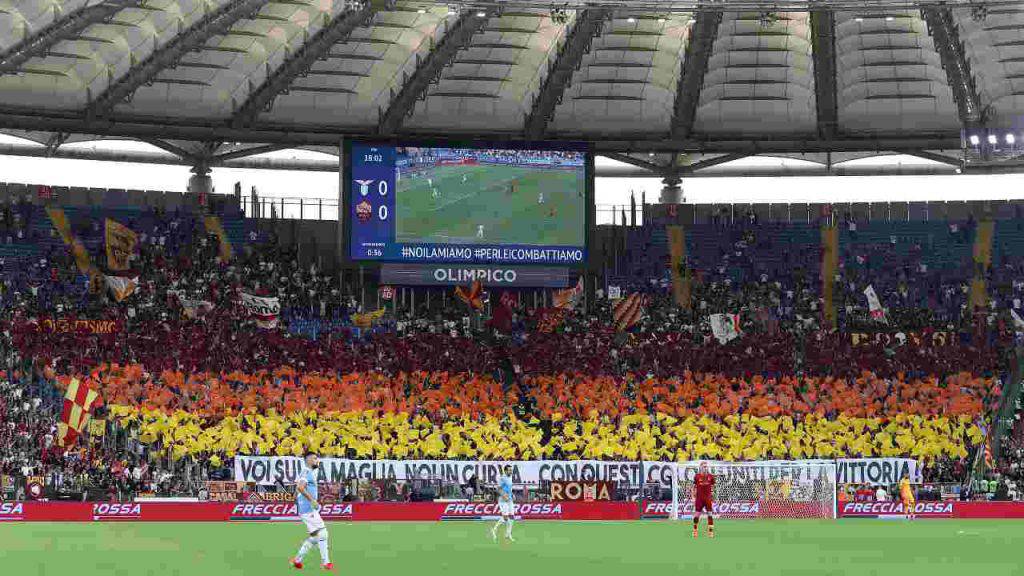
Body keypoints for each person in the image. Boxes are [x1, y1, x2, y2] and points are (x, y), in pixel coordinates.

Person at [292, 452, 332, 571]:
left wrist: (295, 496)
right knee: (323, 533)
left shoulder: (307, 472)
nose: (316, 460)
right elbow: (300, 487)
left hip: (306, 508)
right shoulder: (306, 471)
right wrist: (312, 501)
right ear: (308, 460)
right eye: (314, 458)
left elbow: (298, 488)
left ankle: (297, 560)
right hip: (308, 508)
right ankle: (326, 563)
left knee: (315, 537)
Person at [491, 465, 515, 542]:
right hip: (503, 500)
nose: (511, 471)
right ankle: (494, 530)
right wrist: (504, 495)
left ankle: (508, 534)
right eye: (509, 470)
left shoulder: (510, 477)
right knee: (505, 518)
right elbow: (498, 489)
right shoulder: (502, 478)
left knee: (512, 517)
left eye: (511, 470)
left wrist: (512, 494)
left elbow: (509, 488)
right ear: (505, 471)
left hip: (510, 499)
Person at [692, 462, 715, 538]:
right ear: (700, 467)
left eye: (706, 467)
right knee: (696, 515)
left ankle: (710, 532)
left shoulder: (711, 476)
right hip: (699, 499)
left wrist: (713, 495)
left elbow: (713, 487)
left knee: (710, 515)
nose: (705, 468)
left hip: (708, 499)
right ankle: (695, 530)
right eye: (704, 467)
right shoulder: (697, 476)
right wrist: (693, 497)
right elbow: (694, 487)